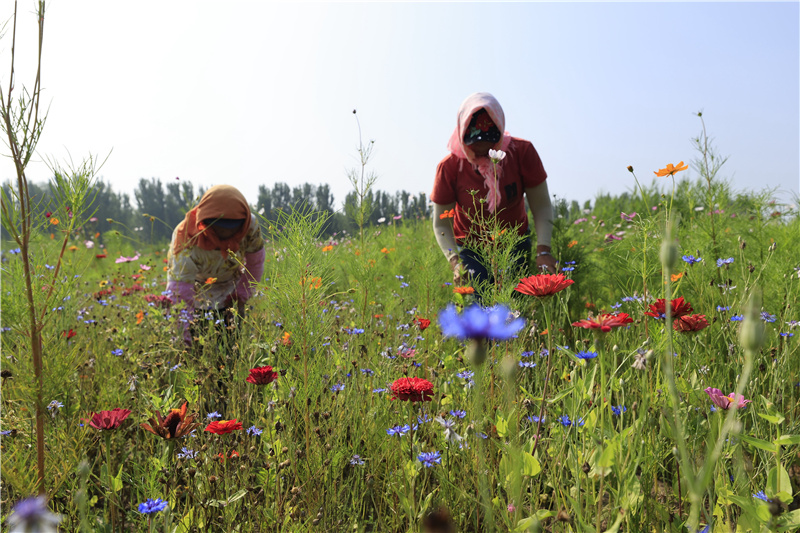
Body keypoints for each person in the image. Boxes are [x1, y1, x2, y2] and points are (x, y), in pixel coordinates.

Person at [430, 92, 556, 291]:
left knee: (515, 304)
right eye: (475, 146)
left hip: (515, 244)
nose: (482, 153)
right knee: (481, 306)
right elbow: (441, 223)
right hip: (472, 250)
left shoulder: (522, 153)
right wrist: (455, 262)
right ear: (463, 136)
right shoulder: (450, 167)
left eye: (490, 145)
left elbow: (541, 206)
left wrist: (543, 251)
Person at [166, 184, 266, 346]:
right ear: (204, 223)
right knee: (197, 342)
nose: (226, 235)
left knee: (231, 344)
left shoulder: (249, 226)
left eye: (232, 229)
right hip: (198, 292)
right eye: (219, 230)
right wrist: (184, 337)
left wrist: (241, 294)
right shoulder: (186, 240)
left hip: (233, 287)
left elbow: (255, 264)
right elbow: (180, 292)